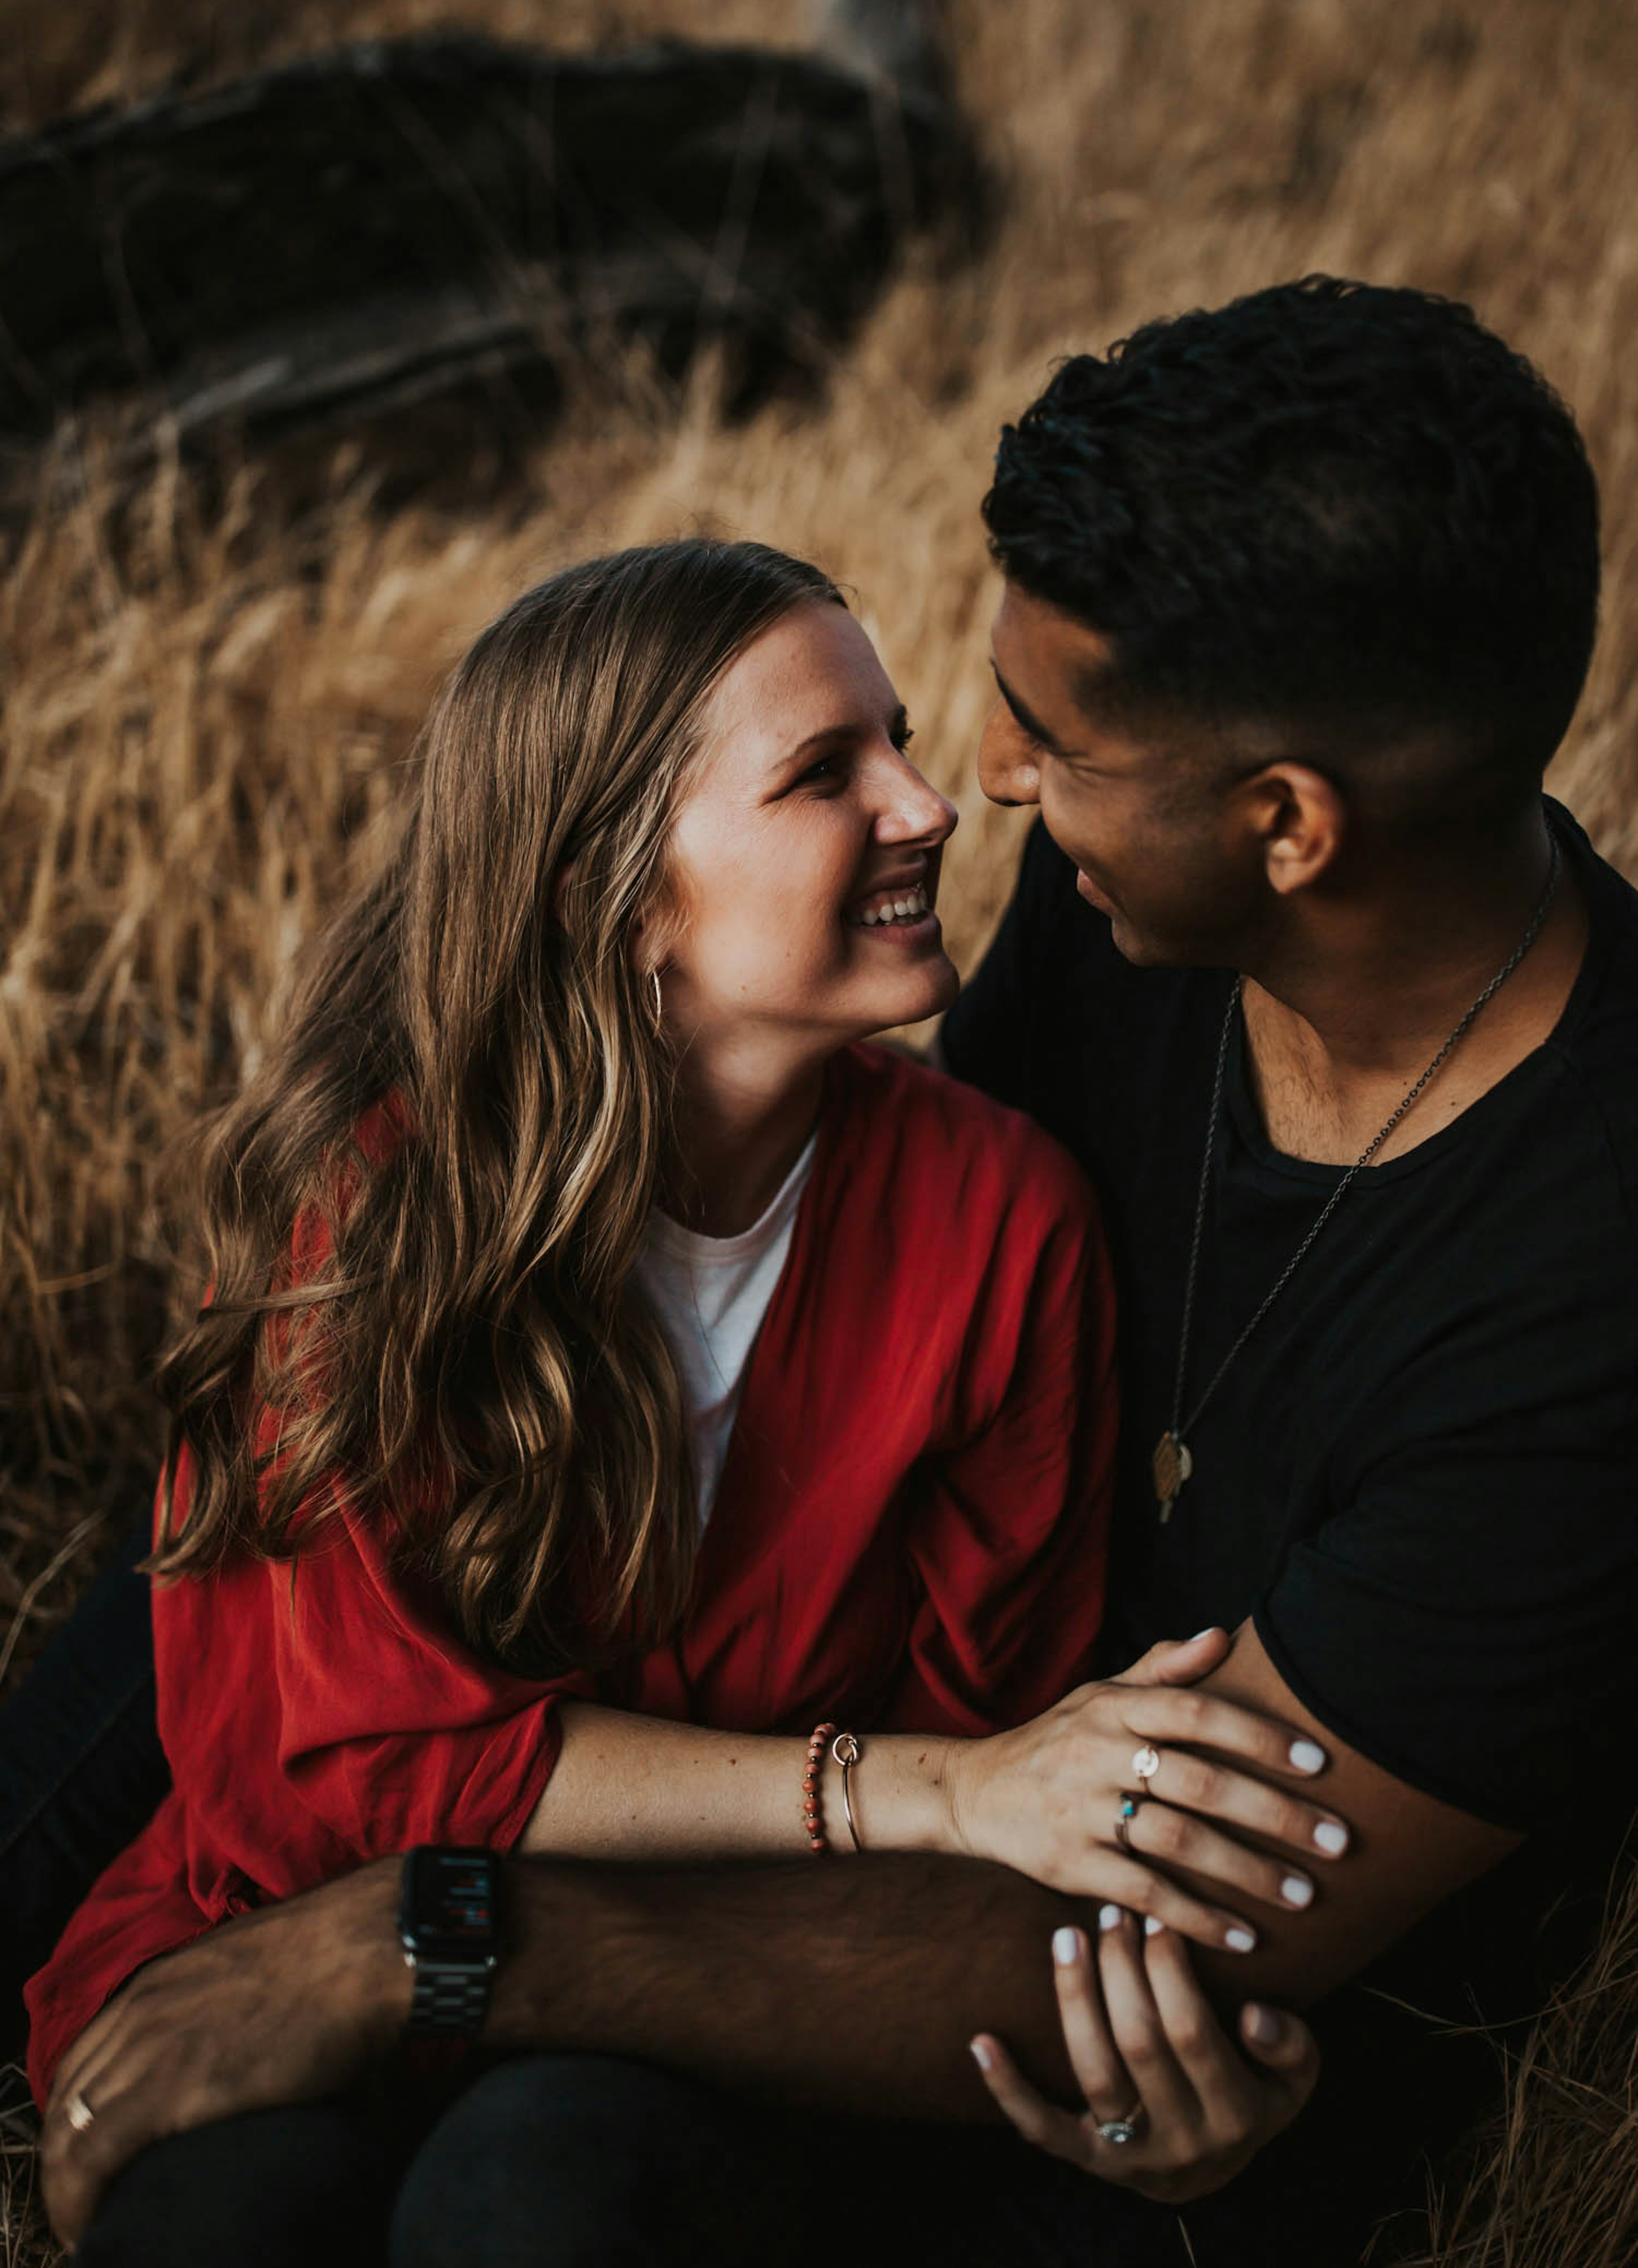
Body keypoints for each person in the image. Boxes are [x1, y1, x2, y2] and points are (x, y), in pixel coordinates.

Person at [16, 275, 1638, 2268]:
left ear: (1285, 823)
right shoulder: (1131, 900)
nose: (978, 787)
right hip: (804, 1730)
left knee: (537, 2177)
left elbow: (1162, 1915)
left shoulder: (1582, 1303)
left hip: (1058, 1973)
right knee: (241, 1535)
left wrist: (419, 1939)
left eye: (1050, 738)